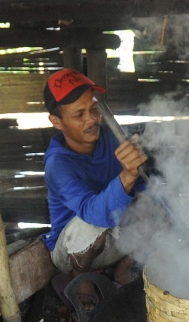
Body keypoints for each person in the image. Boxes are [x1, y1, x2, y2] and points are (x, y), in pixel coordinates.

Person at [42, 68, 147, 306]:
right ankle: (78, 278)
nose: (91, 120)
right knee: (89, 224)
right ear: (56, 121)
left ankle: (124, 266)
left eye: (93, 109)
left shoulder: (109, 137)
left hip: (114, 239)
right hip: (74, 252)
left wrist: (142, 190)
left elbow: (142, 186)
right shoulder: (57, 164)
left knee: (155, 197)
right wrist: (127, 175)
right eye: (79, 114)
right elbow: (95, 214)